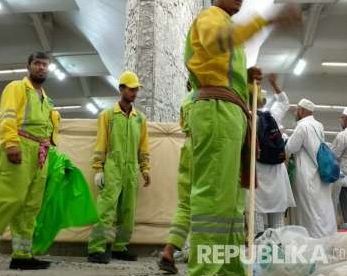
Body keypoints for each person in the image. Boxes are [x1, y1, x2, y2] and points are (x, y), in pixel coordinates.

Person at [184, 0, 300, 274]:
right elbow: (217, 42)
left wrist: (247, 81)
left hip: (231, 115)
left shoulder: (229, 32)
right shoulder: (210, 17)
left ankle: (230, 269)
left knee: (233, 204)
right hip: (216, 111)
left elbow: (229, 82)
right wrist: (266, 20)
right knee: (214, 199)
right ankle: (205, 270)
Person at [0, 52, 60, 272]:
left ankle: (22, 255)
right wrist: (11, 143)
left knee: (30, 207)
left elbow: (48, 126)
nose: (41, 68)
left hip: (39, 153)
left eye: (45, 65)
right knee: (10, 200)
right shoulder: (17, 88)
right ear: (28, 66)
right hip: (20, 147)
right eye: (37, 64)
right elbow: (8, 116)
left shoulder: (45, 98)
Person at [87, 71, 151, 264]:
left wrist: (145, 169)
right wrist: (98, 169)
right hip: (113, 169)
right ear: (121, 89)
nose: (134, 93)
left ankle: (120, 247)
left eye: (136, 90)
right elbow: (101, 144)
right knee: (105, 210)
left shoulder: (140, 119)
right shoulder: (108, 116)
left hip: (131, 170)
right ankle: (96, 249)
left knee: (127, 211)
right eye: (131, 89)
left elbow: (143, 147)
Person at [286, 99, 337, 238]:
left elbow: (291, 147)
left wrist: (285, 138)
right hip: (320, 173)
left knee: (309, 209)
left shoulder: (302, 126)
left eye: (297, 110)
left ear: (302, 111)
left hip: (307, 173)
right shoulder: (319, 125)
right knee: (322, 207)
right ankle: (327, 236)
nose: (295, 113)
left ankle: (312, 239)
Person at [158, 82, 194, 274]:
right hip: (205, 150)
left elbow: (182, 125)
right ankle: (200, 256)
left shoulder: (187, 100)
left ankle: (169, 250)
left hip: (187, 148)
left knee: (184, 205)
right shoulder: (211, 98)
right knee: (207, 205)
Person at [254, 78, 295, 236]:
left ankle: (258, 243)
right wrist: (274, 84)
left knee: (256, 209)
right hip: (276, 171)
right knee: (277, 210)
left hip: (257, 171)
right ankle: (277, 243)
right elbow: (284, 102)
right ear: (264, 101)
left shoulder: (245, 117)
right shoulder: (272, 116)